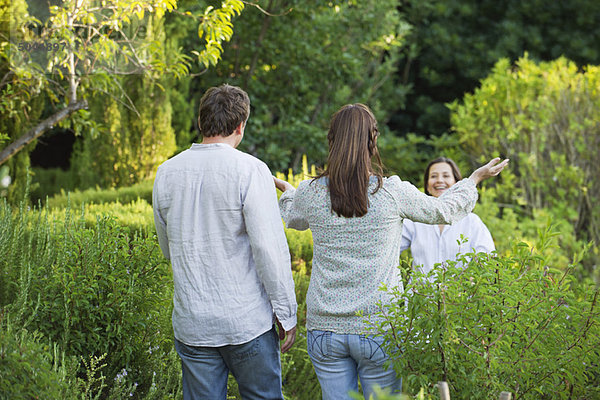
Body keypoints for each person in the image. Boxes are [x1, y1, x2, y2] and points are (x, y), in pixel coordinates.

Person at [273, 103, 508, 400]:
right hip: (380, 328)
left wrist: (289, 192)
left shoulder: (311, 192)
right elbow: (444, 210)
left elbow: (293, 218)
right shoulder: (392, 191)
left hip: (324, 330)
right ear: (372, 142)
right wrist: (473, 180)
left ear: (331, 140)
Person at [152, 84, 298, 400]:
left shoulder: (166, 173)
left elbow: (167, 248)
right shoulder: (251, 170)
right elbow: (269, 250)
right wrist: (287, 314)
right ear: (240, 125)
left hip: (193, 322)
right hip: (246, 320)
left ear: (201, 121)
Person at [400, 157, 495, 282]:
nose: (439, 180)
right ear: (427, 186)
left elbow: (488, 259)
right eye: (433, 176)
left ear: (457, 183)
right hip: (420, 298)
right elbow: (390, 247)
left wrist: (472, 280)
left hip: (459, 299)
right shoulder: (414, 220)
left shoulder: (471, 222)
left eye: (446, 176)